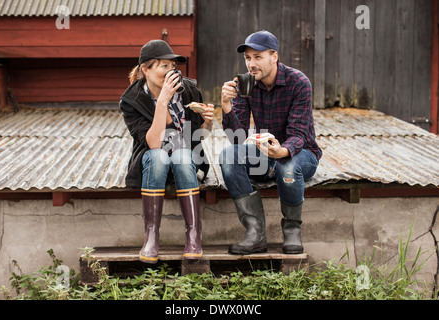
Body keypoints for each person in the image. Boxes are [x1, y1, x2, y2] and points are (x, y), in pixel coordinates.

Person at [219, 31, 322, 255]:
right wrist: (226, 105)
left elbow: (299, 133)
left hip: (302, 153)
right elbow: (238, 137)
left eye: (258, 57)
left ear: (274, 56)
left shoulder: (299, 82)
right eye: (248, 58)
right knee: (229, 156)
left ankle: (292, 229)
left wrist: (282, 151)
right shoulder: (247, 84)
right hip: (265, 152)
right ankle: (255, 233)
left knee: (288, 165)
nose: (251, 64)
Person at [119, 40, 214, 263]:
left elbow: (198, 138)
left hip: (186, 164)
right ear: (146, 69)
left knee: (181, 154)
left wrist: (208, 123)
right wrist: (162, 102)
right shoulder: (131, 101)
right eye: (164, 66)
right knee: (159, 154)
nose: (171, 71)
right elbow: (152, 143)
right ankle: (151, 235)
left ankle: (193, 234)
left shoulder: (189, 91)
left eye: (173, 66)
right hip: (155, 166)